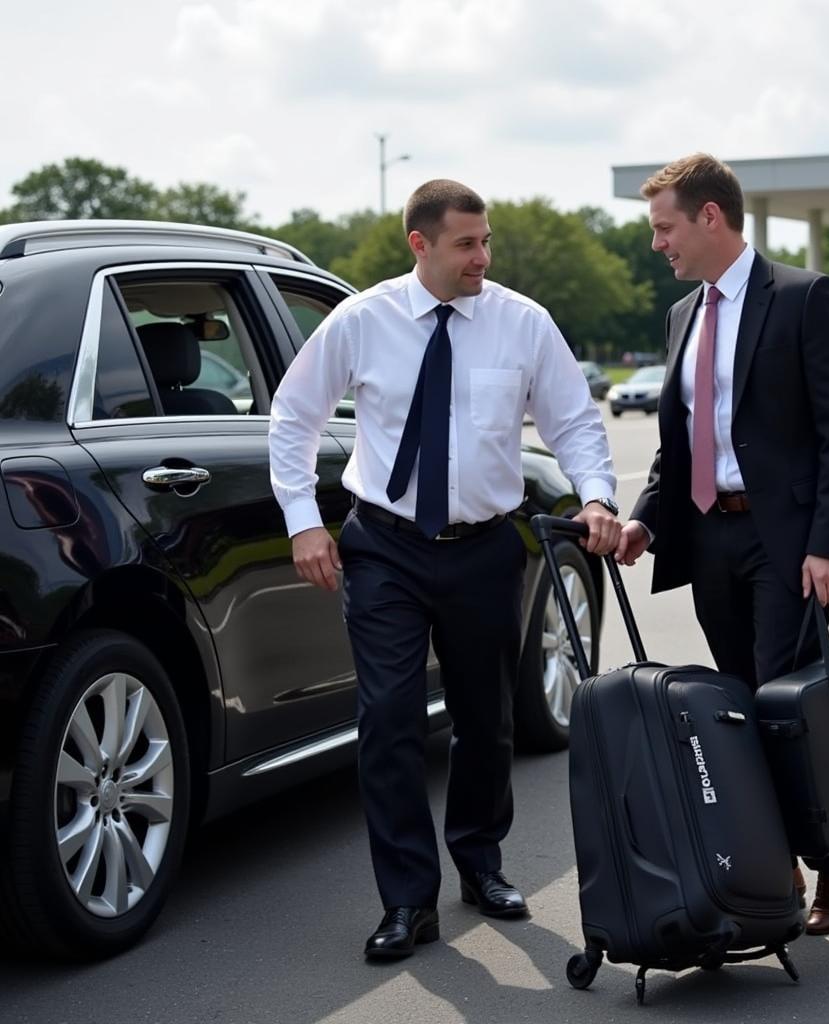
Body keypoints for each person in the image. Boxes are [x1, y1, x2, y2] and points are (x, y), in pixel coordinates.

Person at [269, 179, 621, 961]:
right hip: (384, 546)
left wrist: (597, 496)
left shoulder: (521, 322)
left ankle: (481, 862)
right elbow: (294, 416)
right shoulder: (362, 320)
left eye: (487, 240)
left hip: (485, 548)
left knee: (484, 720)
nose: (483, 258)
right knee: (389, 720)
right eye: (467, 243)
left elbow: (571, 418)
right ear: (419, 244)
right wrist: (303, 524)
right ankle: (406, 901)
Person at [615, 153, 829, 935]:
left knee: (784, 709)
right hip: (709, 540)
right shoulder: (682, 317)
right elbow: (679, 447)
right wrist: (645, 520)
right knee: (735, 709)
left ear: (710, 217)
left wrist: (828, 544)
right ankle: (786, 867)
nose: (657, 243)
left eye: (664, 228)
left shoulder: (802, 297)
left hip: (789, 544)